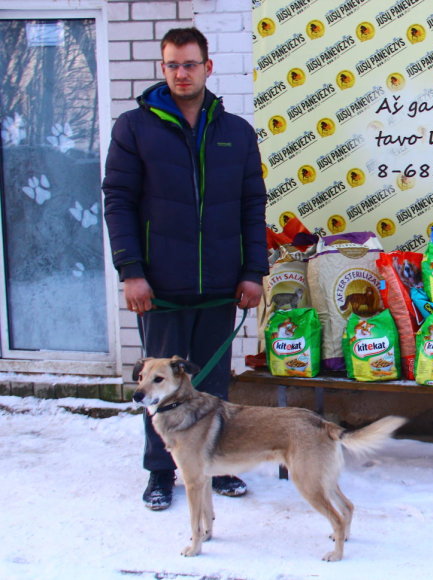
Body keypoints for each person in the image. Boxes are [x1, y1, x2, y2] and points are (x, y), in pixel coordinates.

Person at [102, 27, 268, 511]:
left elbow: (251, 205)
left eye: (190, 64)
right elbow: (119, 201)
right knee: (161, 387)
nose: (181, 73)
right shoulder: (134, 127)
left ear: (207, 67)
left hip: (220, 284)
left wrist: (252, 271)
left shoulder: (235, 132)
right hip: (161, 286)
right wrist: (132, 270)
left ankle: (216, 466)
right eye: (172, 64)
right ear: (163, 68)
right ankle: (161, 472)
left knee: (213, 385)